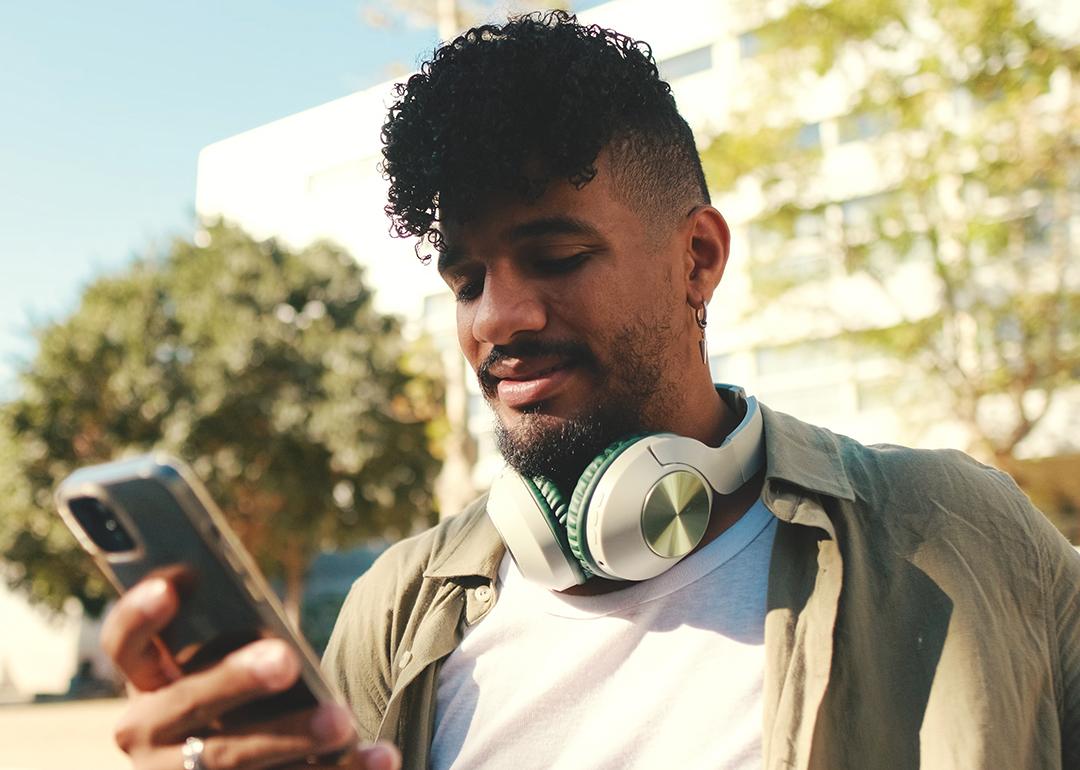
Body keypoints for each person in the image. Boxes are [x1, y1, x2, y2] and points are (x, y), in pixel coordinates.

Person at [101, 10, 1080, 770]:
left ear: (697, 257)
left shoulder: (956, 535)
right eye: (467, 279)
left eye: (555, 254)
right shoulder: (395, 611)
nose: (496, 318)